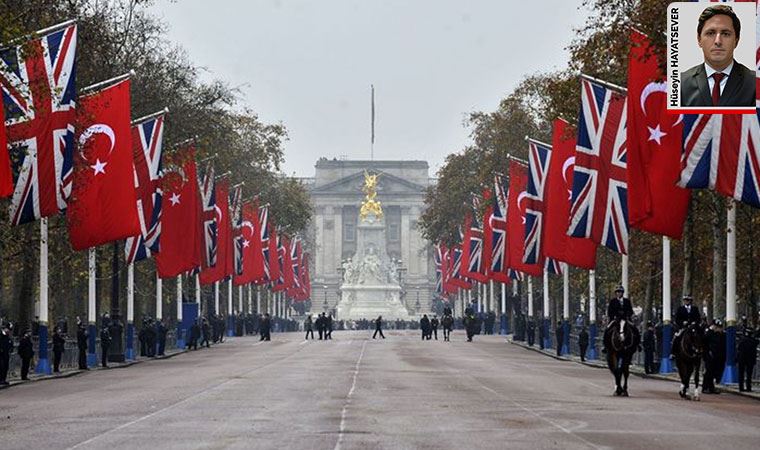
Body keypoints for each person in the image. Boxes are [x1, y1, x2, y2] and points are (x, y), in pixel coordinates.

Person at [680, 4, 755, 107]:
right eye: (710, 33)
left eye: (726, 34)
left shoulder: (754, 83)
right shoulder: (680, 84)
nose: (718, 41)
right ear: (699, 39)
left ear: (736, 41)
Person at [602, 285, 634, 354]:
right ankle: (605, 346)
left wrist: (627, 315)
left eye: (620, 292)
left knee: (634, 329)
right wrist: (614, 316)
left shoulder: (627, 301)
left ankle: (637, 344)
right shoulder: (613, 301)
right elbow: (610, 311)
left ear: (622, 293)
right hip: (616, 319)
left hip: (625, 319)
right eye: (617, 292)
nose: (618, 293)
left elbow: (630, 310)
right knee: (607, 330)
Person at [703, 320, 724, 394]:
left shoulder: (720, 335)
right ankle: (705, 387)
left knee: (714, 372)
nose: (719, 329)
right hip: (709, 356)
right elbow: (705, 344)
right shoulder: (709, 334)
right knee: (708, 372)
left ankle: (711, 387)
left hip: (717, 356)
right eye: (718, 327)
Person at [737, 326, 758, 392]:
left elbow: (739, 348)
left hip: (742, 358)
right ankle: (748, 387)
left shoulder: (742, 340)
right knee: (749, 374)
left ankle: (741, 387)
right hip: (750, 359)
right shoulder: (753, 341)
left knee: (741, 373)